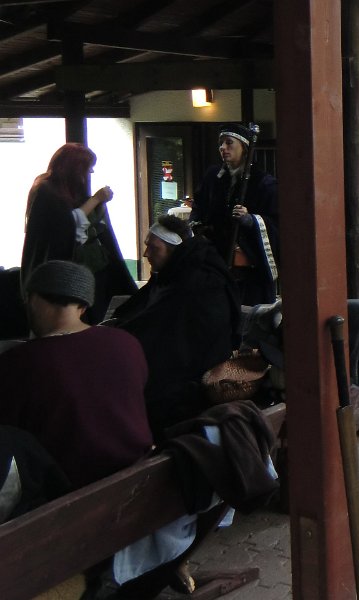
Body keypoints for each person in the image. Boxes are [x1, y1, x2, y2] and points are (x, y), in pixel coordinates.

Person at [0, 260, 152, 489]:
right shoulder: (127, 342)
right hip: (139, 475)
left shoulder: (20, 362)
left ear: (34, 299)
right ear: (83, 306)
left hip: (68, 490)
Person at [111, 215, 241, 440]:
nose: (146, 254)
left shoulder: (200, 283)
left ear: (174, 249)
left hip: (192, 381)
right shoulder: (173, 274)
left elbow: (171, 334)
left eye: (154, 248)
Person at [21, 143, 137, 325]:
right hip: (68, 271)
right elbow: (68, 226)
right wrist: (96, 199)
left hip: (93, 268)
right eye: (88, 167)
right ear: (74, 167)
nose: (91, 172)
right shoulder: (46, 191)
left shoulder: (66, 190)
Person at [189, 123, 279, 305]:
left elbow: (277, 220)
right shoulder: (213, 177)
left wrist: (251, 220)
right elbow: (199, 207)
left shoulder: (264, 183)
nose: (223, 148)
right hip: (216, 260)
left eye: (229, 143)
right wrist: (197, 225)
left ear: (244, 148)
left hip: (249, 265)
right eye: (221, 143)